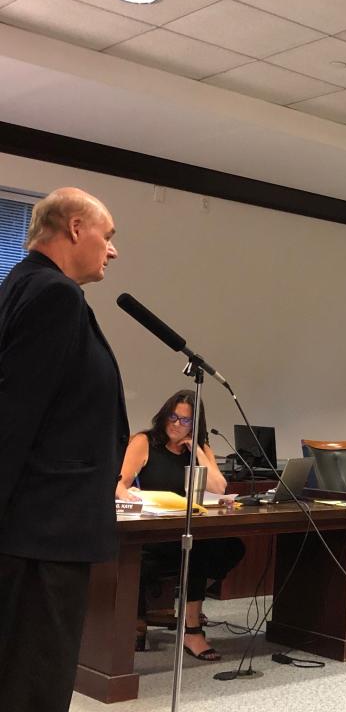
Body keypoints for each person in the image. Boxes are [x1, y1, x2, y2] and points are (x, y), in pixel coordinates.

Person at [0, 187, 127, 711]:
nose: (112, 250)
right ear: (76, 228)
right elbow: (14, 417)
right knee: (34, 682)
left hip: (36, 528)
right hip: (43, 535)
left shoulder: (21, 283)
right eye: (109, 235)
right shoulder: (54, 295)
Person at [117, 390, 245, 660]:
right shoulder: (145, 441)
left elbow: (219, 487)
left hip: (181, 531)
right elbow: (120, 481)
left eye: (185, 421)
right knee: (195, 550)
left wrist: (198, 451)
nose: (177, 424)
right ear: (164, 415)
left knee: (230, 547)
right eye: (173, 417)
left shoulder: (197, 449)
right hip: (150, 532)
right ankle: (190, 626)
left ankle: (190, 615)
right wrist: (126, 494)